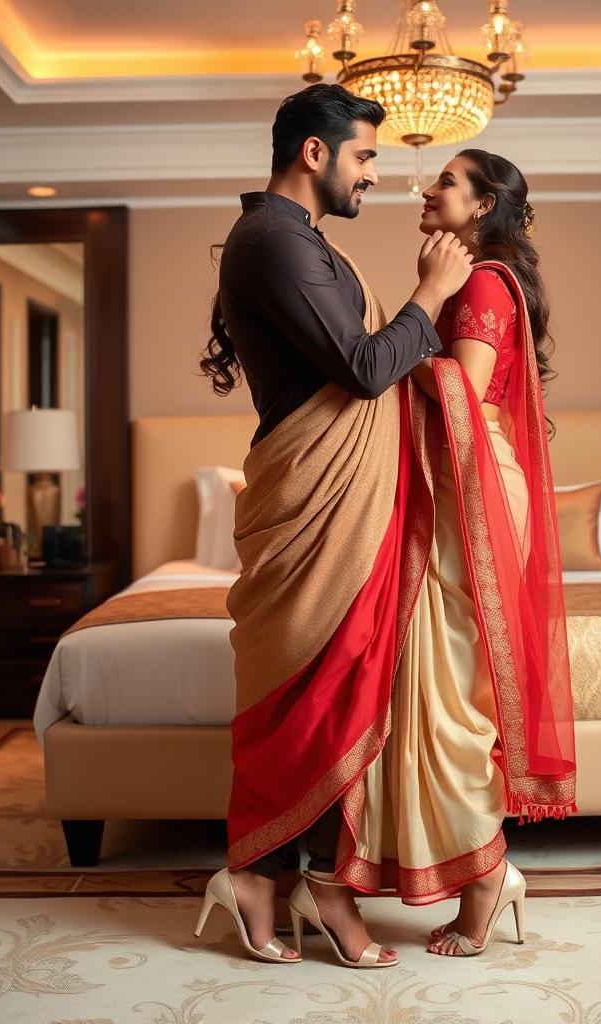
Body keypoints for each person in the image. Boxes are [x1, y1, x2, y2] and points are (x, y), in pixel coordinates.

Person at [195, 83, 473, 967]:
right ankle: (294, 878)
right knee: (315, 689)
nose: (376, 176)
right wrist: (430, 297)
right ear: (313, 154)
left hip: (333, 494)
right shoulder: (274, 240)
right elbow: (361, 369)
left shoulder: (296, 241)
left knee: (332, 685)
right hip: (312, 499)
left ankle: (267, 877)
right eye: (365, 156)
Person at [334, 149, 578, 957]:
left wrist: (409, 314)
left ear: (482, 207)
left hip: (469, 496)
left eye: (445, 180)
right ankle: (482, 875)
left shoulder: (478, 282)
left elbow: (459, 392)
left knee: (448, 701)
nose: (426, 188)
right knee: (441, 689)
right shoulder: (487, 279)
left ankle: (485, 881)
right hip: (466, 486)